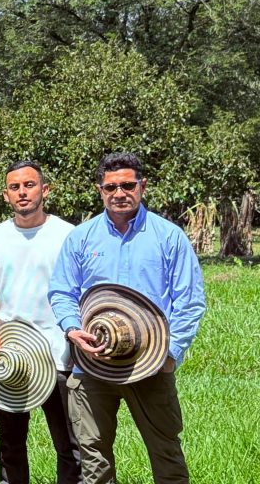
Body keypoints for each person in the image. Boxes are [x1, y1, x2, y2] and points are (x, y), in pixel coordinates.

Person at [49, 152, 206, 484]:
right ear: (100, 190)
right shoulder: (81, 237)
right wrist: (72, 328)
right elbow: (62, 291)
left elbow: (189, 302)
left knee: (166, 454)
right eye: (110, 187)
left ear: (142, 186)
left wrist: (169, 355)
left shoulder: (168, 236)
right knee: (93, 458)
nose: (119, 193)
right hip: (93, 362)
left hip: (150, 363)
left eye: (127, 185)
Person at [0, 161, 81, 484]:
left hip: (59, 354)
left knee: (70, 448)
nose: (22, 192)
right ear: (6, 195)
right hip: (12, 355)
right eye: (15, 187)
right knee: (10, 447)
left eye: (29, 185)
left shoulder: (69, 235)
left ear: (45, 190)